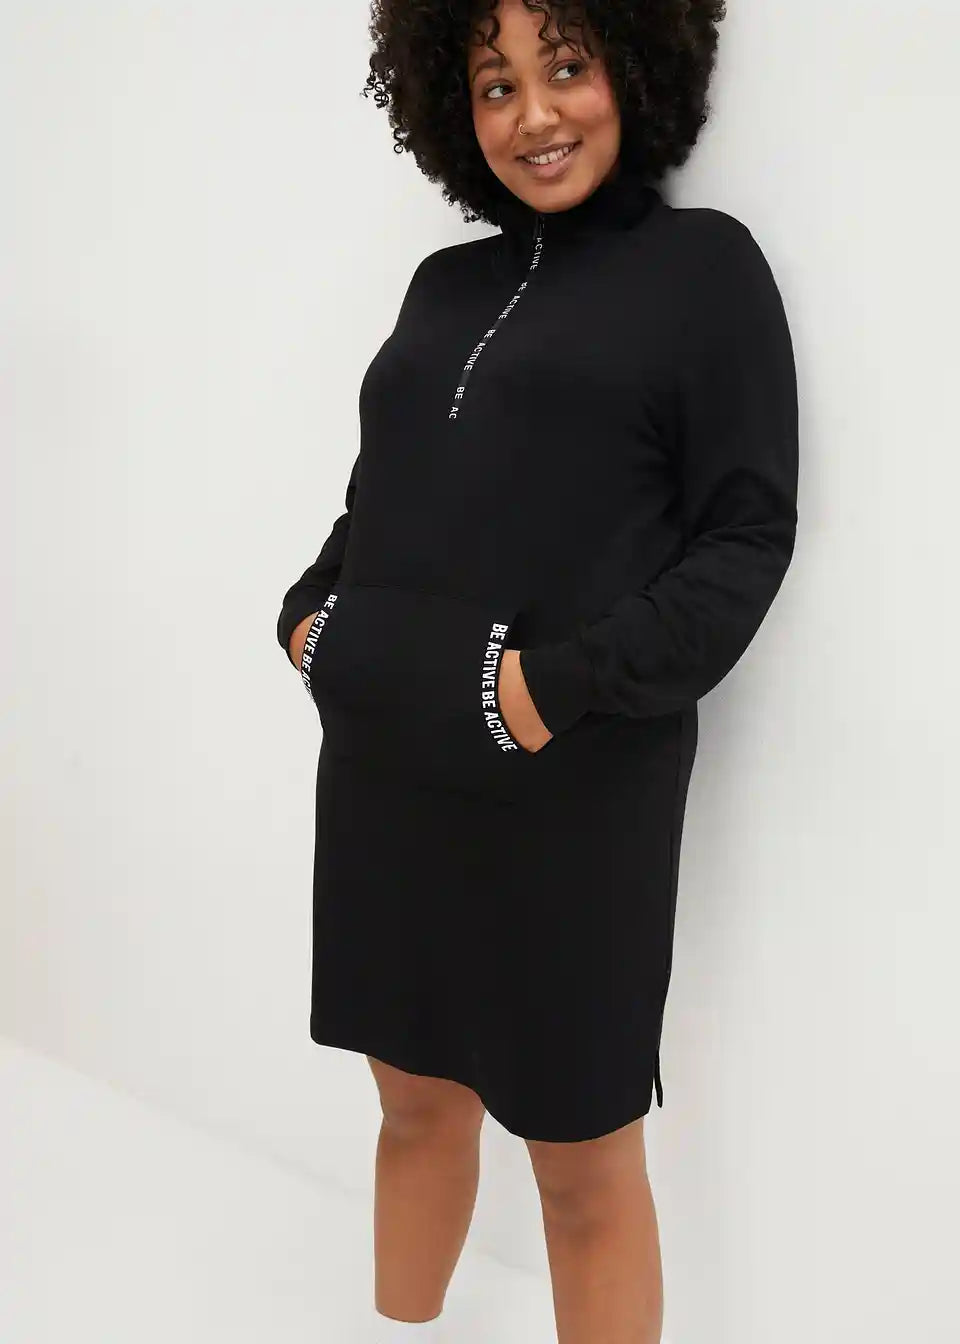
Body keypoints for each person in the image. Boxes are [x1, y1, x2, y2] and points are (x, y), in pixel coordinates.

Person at [276, 1, 798, 1340]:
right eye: (495, 84)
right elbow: (378, 495)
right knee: (410, 1104)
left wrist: (550, 691)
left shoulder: (704, 269)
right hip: (387, 770)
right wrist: (311, 616)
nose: (534, 114)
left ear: (636, 65)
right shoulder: (441, 285)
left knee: (581, 1160)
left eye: (565, 68)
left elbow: (745, 538)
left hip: (577, 791)